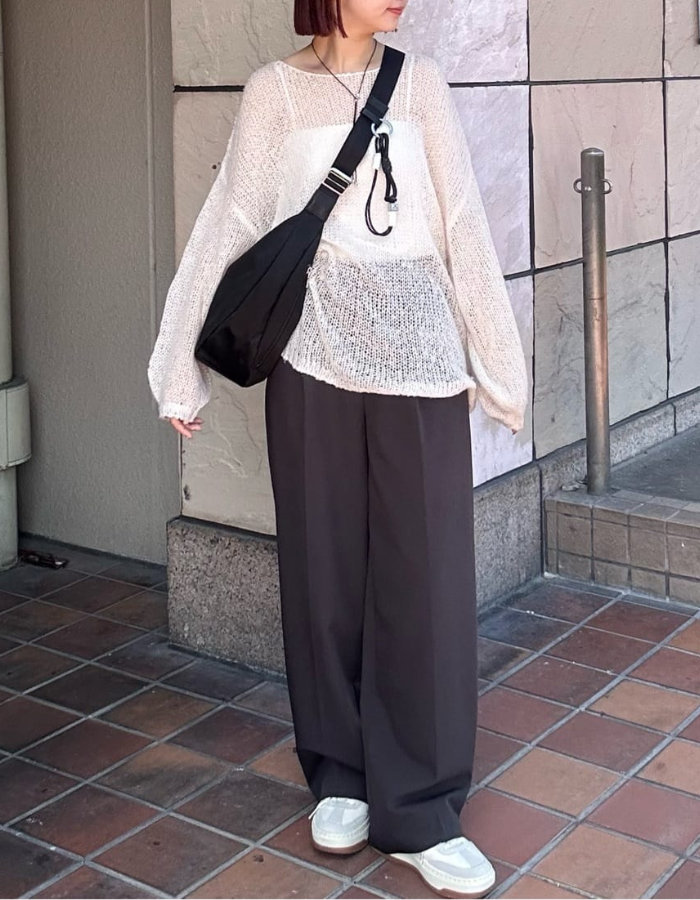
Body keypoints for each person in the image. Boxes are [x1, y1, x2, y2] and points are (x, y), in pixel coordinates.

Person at [147, 1, 528, 896]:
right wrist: (178, 367)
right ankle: (341, 773)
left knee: (425, 578)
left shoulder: (421, 85)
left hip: (421, 363)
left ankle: (422, 808)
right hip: (311, 360)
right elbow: (229, 223)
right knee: (321, 568)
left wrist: (499, 367)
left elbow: (463, 226)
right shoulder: (274, 94)